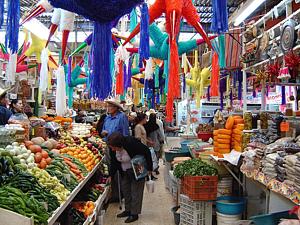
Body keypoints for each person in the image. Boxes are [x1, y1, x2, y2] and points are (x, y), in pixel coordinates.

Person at [107, 132, 153, 223]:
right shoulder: (112, 148)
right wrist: (111, 175)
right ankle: (128, 210)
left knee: (136, 192)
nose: (112, 149)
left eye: (113, 147)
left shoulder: (131, 143)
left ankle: (134, 214)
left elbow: (146, 151)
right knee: (126, 190)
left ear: (119, 145)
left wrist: (150, 168)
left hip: (137, 168)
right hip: (124, 171)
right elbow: (113, 162)